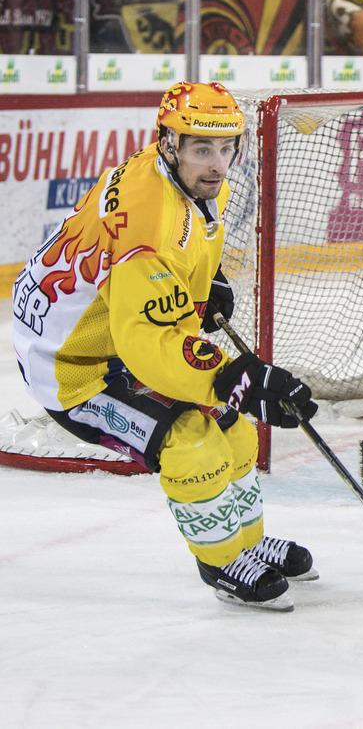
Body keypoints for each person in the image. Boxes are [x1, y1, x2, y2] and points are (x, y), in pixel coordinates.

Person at [10, 82, 320, 612]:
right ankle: (221, 561)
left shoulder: (186, 175)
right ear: (170, 143)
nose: (218, 164)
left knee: (234, 432)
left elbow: (189, 249)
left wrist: (207, 282)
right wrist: (230, 377)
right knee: (190, 440)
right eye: (203, 149)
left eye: (227, 148)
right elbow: (148, 342)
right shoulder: (146, 226)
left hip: (112, 329)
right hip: (72, 363)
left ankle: (244, 542)